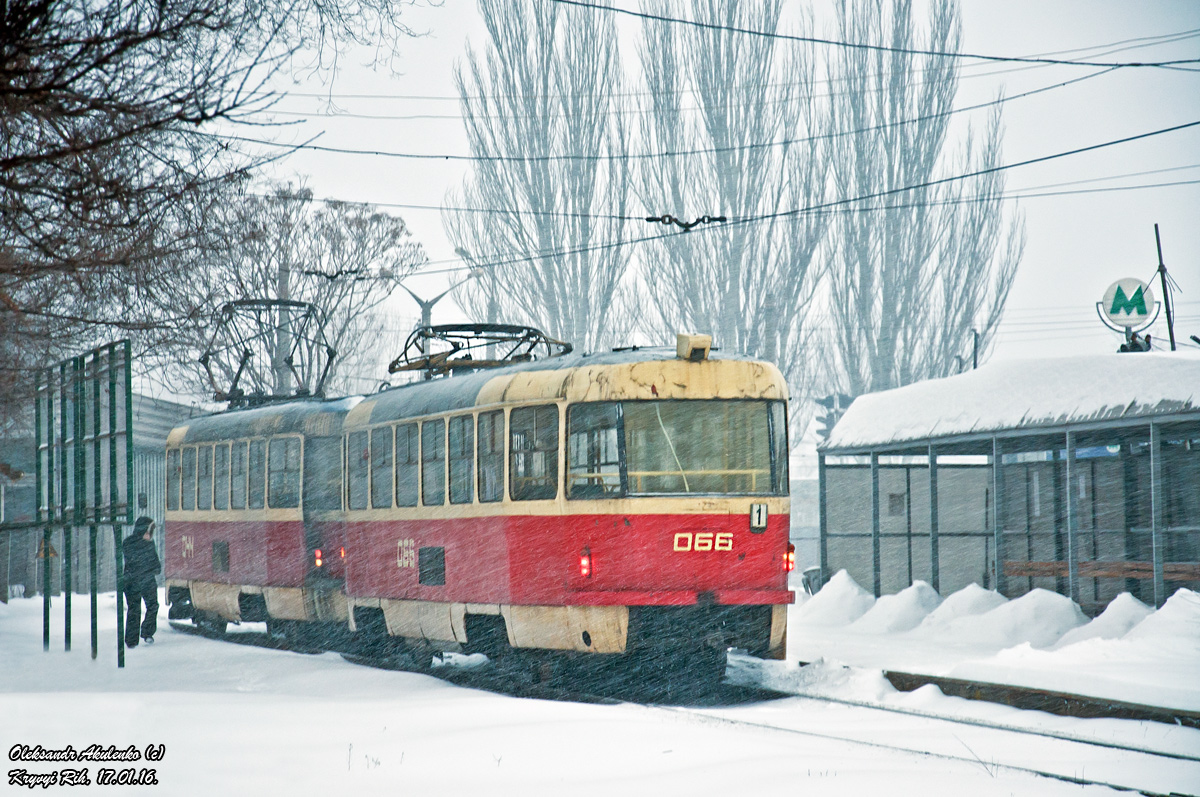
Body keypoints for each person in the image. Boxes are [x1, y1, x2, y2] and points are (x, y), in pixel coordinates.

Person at [122, 516, 161, 648]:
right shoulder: (143, 544)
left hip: (135, 581)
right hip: (141, 581)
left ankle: (135, 638)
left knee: (138, 608)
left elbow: (155, 565)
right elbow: (154, 565)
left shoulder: (128, 543)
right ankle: (144, 634)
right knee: (146, 607)